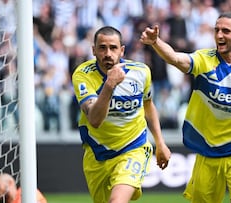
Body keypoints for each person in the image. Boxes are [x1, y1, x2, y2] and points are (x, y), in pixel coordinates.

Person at [140, 11, 231, 203]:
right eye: (216, 30)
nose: (219, 35)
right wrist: (156, 42)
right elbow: (175, 58)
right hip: (208, 153)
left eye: (225, 31)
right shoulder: (204, 59)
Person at [71, 26, 171, 203]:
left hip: (133, 148)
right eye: (102, 48)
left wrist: (160, 143)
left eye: (113, 48)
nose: (108, 53)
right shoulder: (82, 75)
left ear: (122, 50)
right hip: (97, 153)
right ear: (93, 50)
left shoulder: (141, 72)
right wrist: (110, 84)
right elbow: (94, 120)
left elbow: (148, 105)